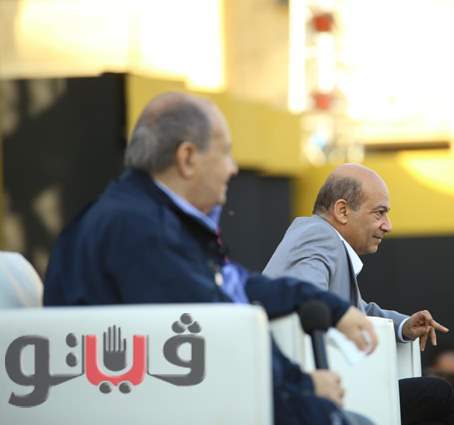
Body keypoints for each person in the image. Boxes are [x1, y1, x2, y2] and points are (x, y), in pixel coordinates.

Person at [43, 92, 377, 425]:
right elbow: (216, 347)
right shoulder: (140, 232)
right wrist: (305, 391)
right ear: (187, 158)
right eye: (225, 152)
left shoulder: (149, 220)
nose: (233, 168)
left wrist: (327, 305)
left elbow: (237, 287)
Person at [263, 164, 454, 425]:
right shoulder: (319, 237)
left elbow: (356, 309)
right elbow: (307, 297)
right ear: (342, 211)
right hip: (310, 397)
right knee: (436, 395)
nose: (388, 226)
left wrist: (403, 325)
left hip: (323, 389)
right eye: (380, 213)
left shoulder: (321, 237)